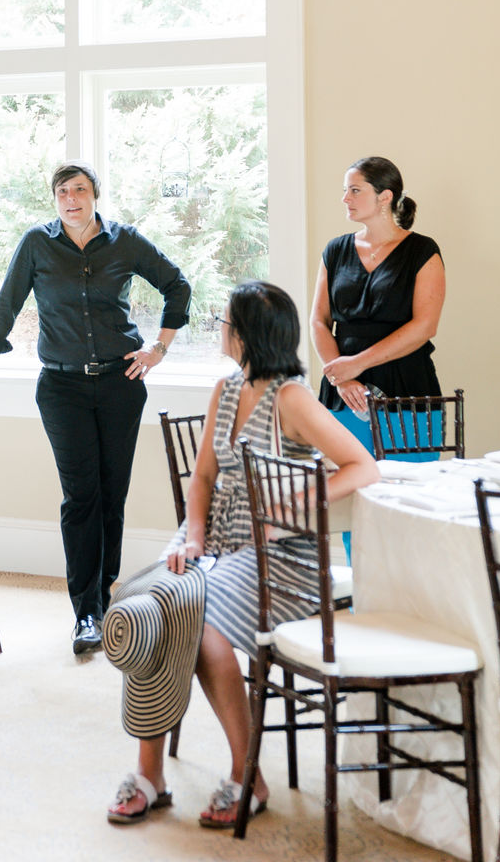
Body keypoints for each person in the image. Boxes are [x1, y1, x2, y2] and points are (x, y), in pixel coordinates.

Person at [102, 280, 377, 829]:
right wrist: (192, 537)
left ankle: (247, 774)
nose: (219, 329)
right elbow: (204, 477)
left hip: (282, 555)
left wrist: (298, 500)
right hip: (216, 541)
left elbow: (363, 466)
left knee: (200, 626)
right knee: (151, 607)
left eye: (225, 322)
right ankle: (150, 774)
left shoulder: (292, 398)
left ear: (247, 335)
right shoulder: (224, 389)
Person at [0, 162, 191, 656]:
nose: (71, 199)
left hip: (120, 384)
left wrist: (159, 348)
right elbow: (7, 302)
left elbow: (178, 285)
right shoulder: (37, 243)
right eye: (62, 192)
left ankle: (104, 595)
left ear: (94, 196)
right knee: (80, 496)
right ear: (55, 199)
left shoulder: (125, 241)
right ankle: (85, 612)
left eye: (80, 190)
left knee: (112, 495)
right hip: (61, 387)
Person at [310, 155, 445, 458]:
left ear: (385, 197)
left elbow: (425, 326)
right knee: (346, 482)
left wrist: (357, 364)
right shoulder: (335, 250)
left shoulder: (422, 250)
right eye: (345, 190)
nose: (345, 198)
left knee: (411, 480)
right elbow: (318, 321)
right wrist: (343, 377)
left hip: (405, 387)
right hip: (344, 392)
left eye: (355, 190)